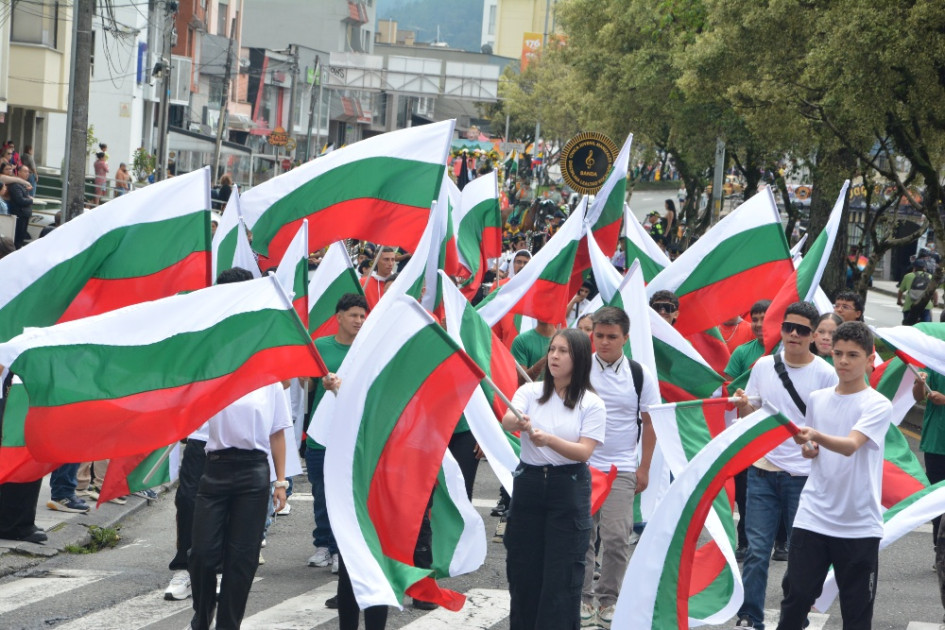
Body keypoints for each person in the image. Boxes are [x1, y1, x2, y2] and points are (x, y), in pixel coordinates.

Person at [186, 269, 293, 630]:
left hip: (253, 473)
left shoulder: (269, 377)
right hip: (215, 469)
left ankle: (228, 624)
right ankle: (203, 614)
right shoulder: (214, 368)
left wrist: (281, 481)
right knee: (201, 553)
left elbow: (278, 433)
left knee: (242, 557)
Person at [776, 322, 892, 630]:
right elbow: (814, 447)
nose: (843, 361)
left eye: (853, 355)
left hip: (858, 523)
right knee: (796, 598)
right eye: (838, 353)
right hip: (813, 515)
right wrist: (809, 448)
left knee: (856, 613)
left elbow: (851, 445)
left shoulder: (878, 404)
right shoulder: (818, 398)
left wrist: (815, 435)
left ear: (870, 359)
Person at [731, 301, 838, 630]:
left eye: (802, 330)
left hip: (805, 478)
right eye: (789, 327)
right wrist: (742, 404)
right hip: (762, 472)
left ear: (812, 336)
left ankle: (795, 614)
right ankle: (750, 616)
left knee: (801, 555)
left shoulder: (825, 373)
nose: (793, 334)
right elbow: (749, 416)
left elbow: (831, 426)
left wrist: (814, 447)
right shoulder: (763, 367)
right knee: (757, 551)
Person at [502, 329, 606, 630]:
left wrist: (549, 440)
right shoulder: (530, 391)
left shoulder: (592, 403)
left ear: (580, 359)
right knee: (523, 570)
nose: (554, 357)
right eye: (552, 350)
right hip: (529, 485)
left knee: (562, 576)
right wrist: (517, 422)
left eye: (563, 351)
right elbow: (507, 419)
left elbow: (584, 451)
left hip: (568, 487)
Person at [581, 308, 660, 629]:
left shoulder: (640, 374)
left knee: (615, 538)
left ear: (625, 338)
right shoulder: (579, 367)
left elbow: (650, 422)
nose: (604, 342)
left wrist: (645, 468)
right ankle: (583, 598)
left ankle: (609, 601)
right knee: (581, 537)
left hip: (622, 469)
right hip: (581, 466)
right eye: (599, 335)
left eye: (612, 337)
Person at [306, 294, 366, 574]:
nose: (358, 320)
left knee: (347, 493)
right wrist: (319, 381)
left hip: (351, 435)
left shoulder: (367, 348)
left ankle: (343, 549)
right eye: (353, 315)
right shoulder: (320, 347)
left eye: (362, 316)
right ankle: (324, 545)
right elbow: (305, 389)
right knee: (321, 490)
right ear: (339, 317)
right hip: (320, 434)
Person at [914, 368, 945, 547]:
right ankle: (940, 550)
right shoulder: (934, 360)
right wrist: (920, 382)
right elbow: (918, 397)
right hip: (936, 442)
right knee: (937, 498)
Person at [898, 259, 938, 325]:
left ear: (914, 267)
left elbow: (900, 291)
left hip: (909, 306)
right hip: (925, 305)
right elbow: (935, 292)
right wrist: (935, 303)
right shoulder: (930, 276)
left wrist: (899, 301)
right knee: (926, 327)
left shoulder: (908, 276)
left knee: (907, 327)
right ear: (924, 268)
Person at [7, 165, 32, 249]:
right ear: (19, 172)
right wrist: (31, 200)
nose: (27, 173)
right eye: (25, 171)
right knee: (17, 239)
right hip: (20, 215)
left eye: (28, 172)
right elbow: (20, 200)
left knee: (21, 238)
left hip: (25, 215)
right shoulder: (16, 186)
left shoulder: (23, 185)